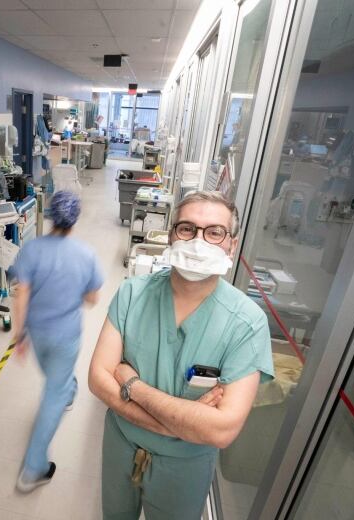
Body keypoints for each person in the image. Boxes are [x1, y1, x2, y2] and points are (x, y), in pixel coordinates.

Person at [88, 190, 274, 519]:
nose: (198, 242)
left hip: (185, 465)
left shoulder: (247, 323)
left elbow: (221, 430)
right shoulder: (133, 293)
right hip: (121, 444)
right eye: (187, 229)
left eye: (214, 232)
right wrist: (176, 424)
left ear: (232, 242)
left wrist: (133, 386)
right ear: (172, 234)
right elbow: (98, 378)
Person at [11, 190, 104, 493]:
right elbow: (92, 300)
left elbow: (21, 293)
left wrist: (19, 334)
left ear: (50, 216)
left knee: (57, 376)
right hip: (66, 335)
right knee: (54, 392)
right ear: (75, 219)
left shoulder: (31, 249)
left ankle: (67, 391)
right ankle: (34, 468)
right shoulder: (86, 255)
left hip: (38, 334)